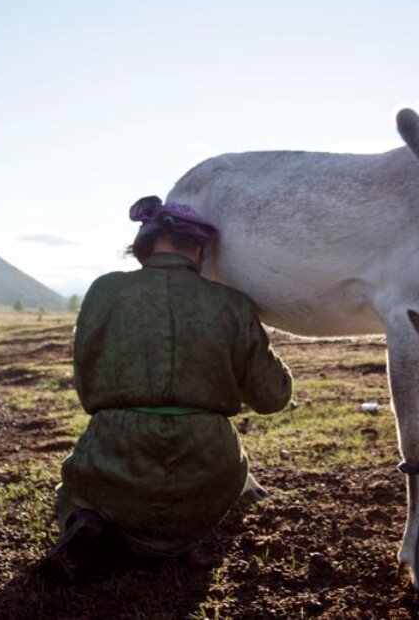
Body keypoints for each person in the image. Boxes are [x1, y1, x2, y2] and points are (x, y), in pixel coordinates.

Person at [41, 195, 293, 580]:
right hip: (207, 465)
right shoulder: (232, 304)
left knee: (75, 493)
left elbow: (87, 384)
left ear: (142, 247)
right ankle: (179, 540)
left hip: (115, 454)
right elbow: (274, 398)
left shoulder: (105, 290)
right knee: (207, 494)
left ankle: (91, 523)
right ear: (199, 249)